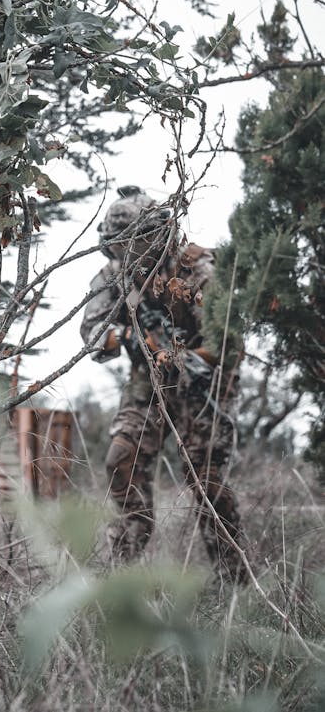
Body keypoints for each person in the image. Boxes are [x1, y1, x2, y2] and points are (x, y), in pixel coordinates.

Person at [80, 186, 249, 583]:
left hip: (202, 383)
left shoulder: (197, 269)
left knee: (205, 479)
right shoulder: (113, 276)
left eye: (134, 243)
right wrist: (126, 337)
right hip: (148, 382)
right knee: (121, 458)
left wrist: (181, 358)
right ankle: (122, 573)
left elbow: (228, 342)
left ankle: (236, 580)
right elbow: (91, 332)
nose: (127, 253)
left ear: (155, 235)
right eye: (120, 245)